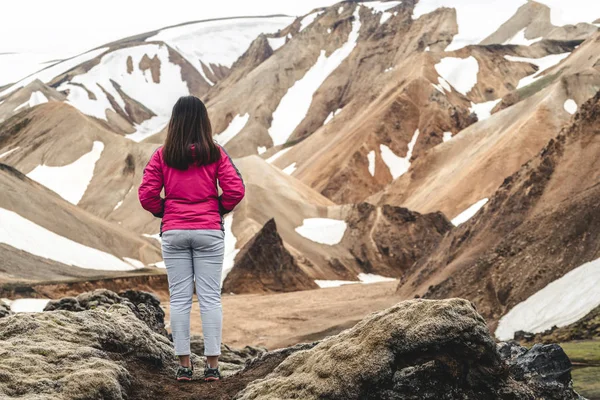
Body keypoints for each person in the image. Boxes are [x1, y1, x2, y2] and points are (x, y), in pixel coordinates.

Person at [139, 96, 245, 382]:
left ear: (174, 122)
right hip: (209, 230)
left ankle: (184, 366)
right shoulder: (215, 153)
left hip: (173, 231)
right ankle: (212, 367)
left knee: (180, 299)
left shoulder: (163, 155)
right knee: (210, 299)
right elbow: (235, 190)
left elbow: (147, 195)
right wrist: (215, 210)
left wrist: (168, 212)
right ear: (204, 121)